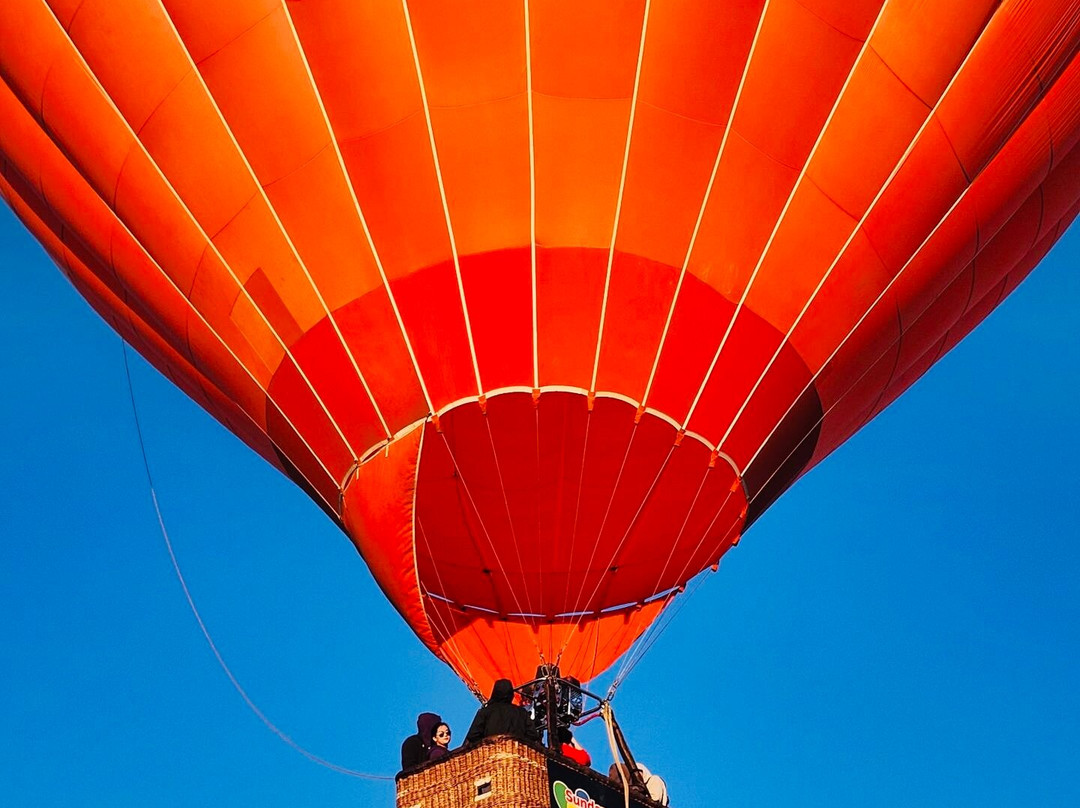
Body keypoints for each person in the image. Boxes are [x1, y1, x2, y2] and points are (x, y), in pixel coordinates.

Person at [465, 679, 539, 744]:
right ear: (511, 694)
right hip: (517, 754)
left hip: (491, 754)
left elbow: (473, 736)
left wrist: (486, 742)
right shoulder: (522, 712)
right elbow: (533, 735)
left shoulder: (485, 712)